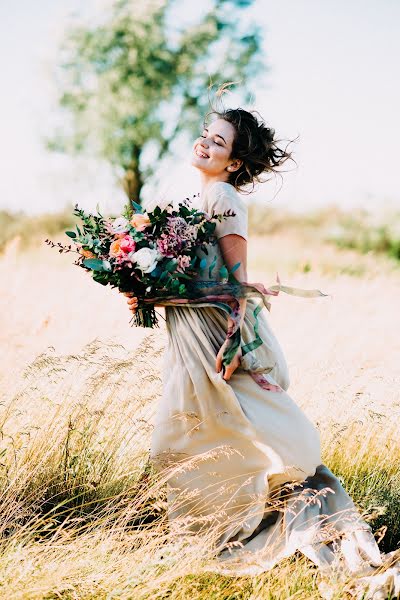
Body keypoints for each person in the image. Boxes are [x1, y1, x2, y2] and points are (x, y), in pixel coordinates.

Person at [123, 108, 400, 597]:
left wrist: (232, 343)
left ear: (233, 163)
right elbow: (191, 277)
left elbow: (235, 286)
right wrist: (146, 290)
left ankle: (236, 536)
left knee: (196, 436)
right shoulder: (199, 196)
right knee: (191, 436)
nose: (205, 144)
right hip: (188, 332)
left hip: (215, 334)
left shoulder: (225, 199)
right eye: (205, 136)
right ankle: (207, 539)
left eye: (218, 142)